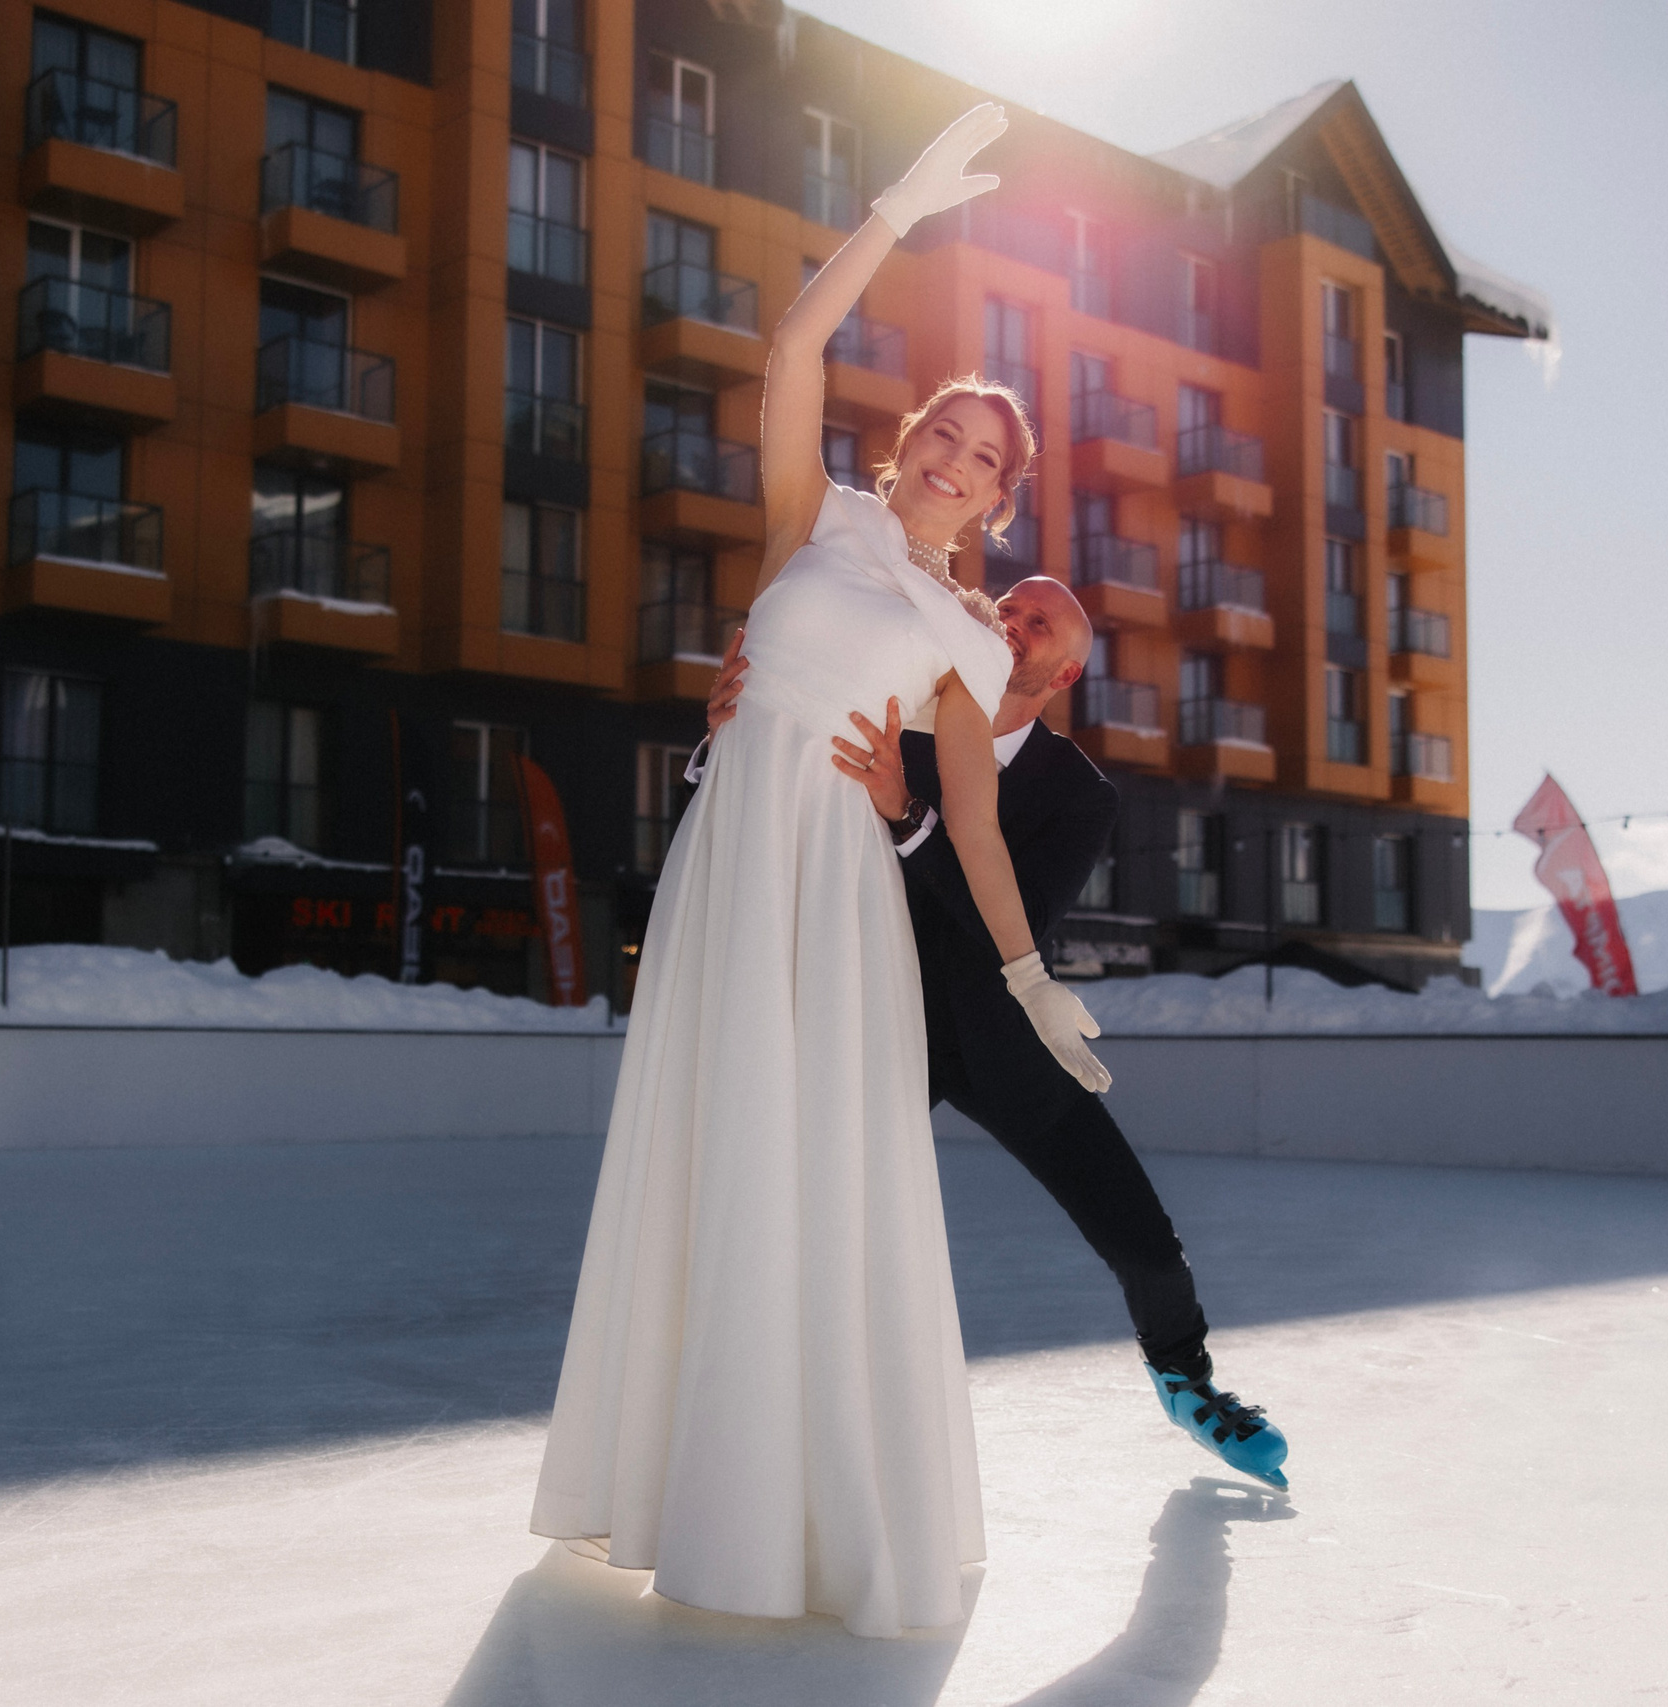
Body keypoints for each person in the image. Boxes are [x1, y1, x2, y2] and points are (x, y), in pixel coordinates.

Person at [530, 104, 1109, 1640]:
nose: (954, 459)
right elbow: (789, 350)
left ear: (999, 502)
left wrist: (1033, 980)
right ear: (911, 434)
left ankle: (818, 1519)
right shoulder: (819, 519)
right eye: (945, 430)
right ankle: (682, 1494)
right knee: (715, 1158)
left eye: (986, 460)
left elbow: (975, 825)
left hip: (832, 903)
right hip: (730, 867)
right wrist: (897, 212)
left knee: (818, 1179)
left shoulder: (974, 640)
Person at [694, 581, 1289, 1492]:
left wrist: (906, 814)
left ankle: (1187, 1380)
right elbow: (782, 806)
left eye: (1036, 622)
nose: (1010, 622)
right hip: (877, 1015)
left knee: (1141, 1233)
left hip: (1009, 1028)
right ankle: (743, 1419)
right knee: (800, 1209)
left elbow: (1014, 917)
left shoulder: (1079, 794)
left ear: (1066, 672)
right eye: (1005, 607)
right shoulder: (898, 714)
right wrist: (722, 739)